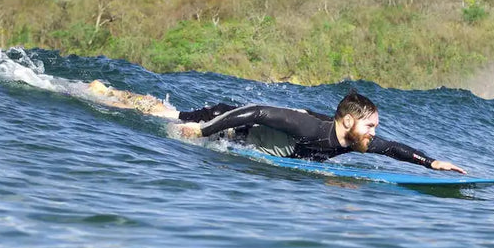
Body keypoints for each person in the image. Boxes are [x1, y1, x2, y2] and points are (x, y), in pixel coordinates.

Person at [87, 80, 467, 173]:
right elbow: (256, 110)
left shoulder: (353, 142)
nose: (373, 133)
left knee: (161, 113)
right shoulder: (308, 127)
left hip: (240, 137)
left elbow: (395, 148)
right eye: (370, 125)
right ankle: (105, 92)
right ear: (349, 120)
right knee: (159, 115)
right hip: (223, 122)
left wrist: (432, 163)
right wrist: (203, 132)